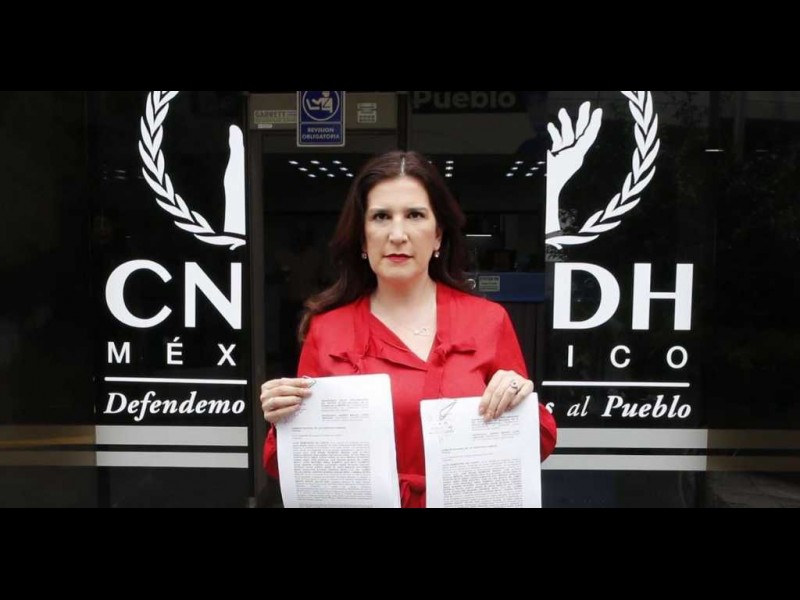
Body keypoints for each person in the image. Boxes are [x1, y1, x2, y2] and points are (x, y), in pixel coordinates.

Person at [260, 150, 557, 508]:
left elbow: (534, 444)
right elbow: (291, 463)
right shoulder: (328, 330)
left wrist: (518, 401)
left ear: (438, 235)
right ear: (362, 239)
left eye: (415, 215)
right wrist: (284, 418)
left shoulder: (488, 320)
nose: (397, 234)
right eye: (381, 216)